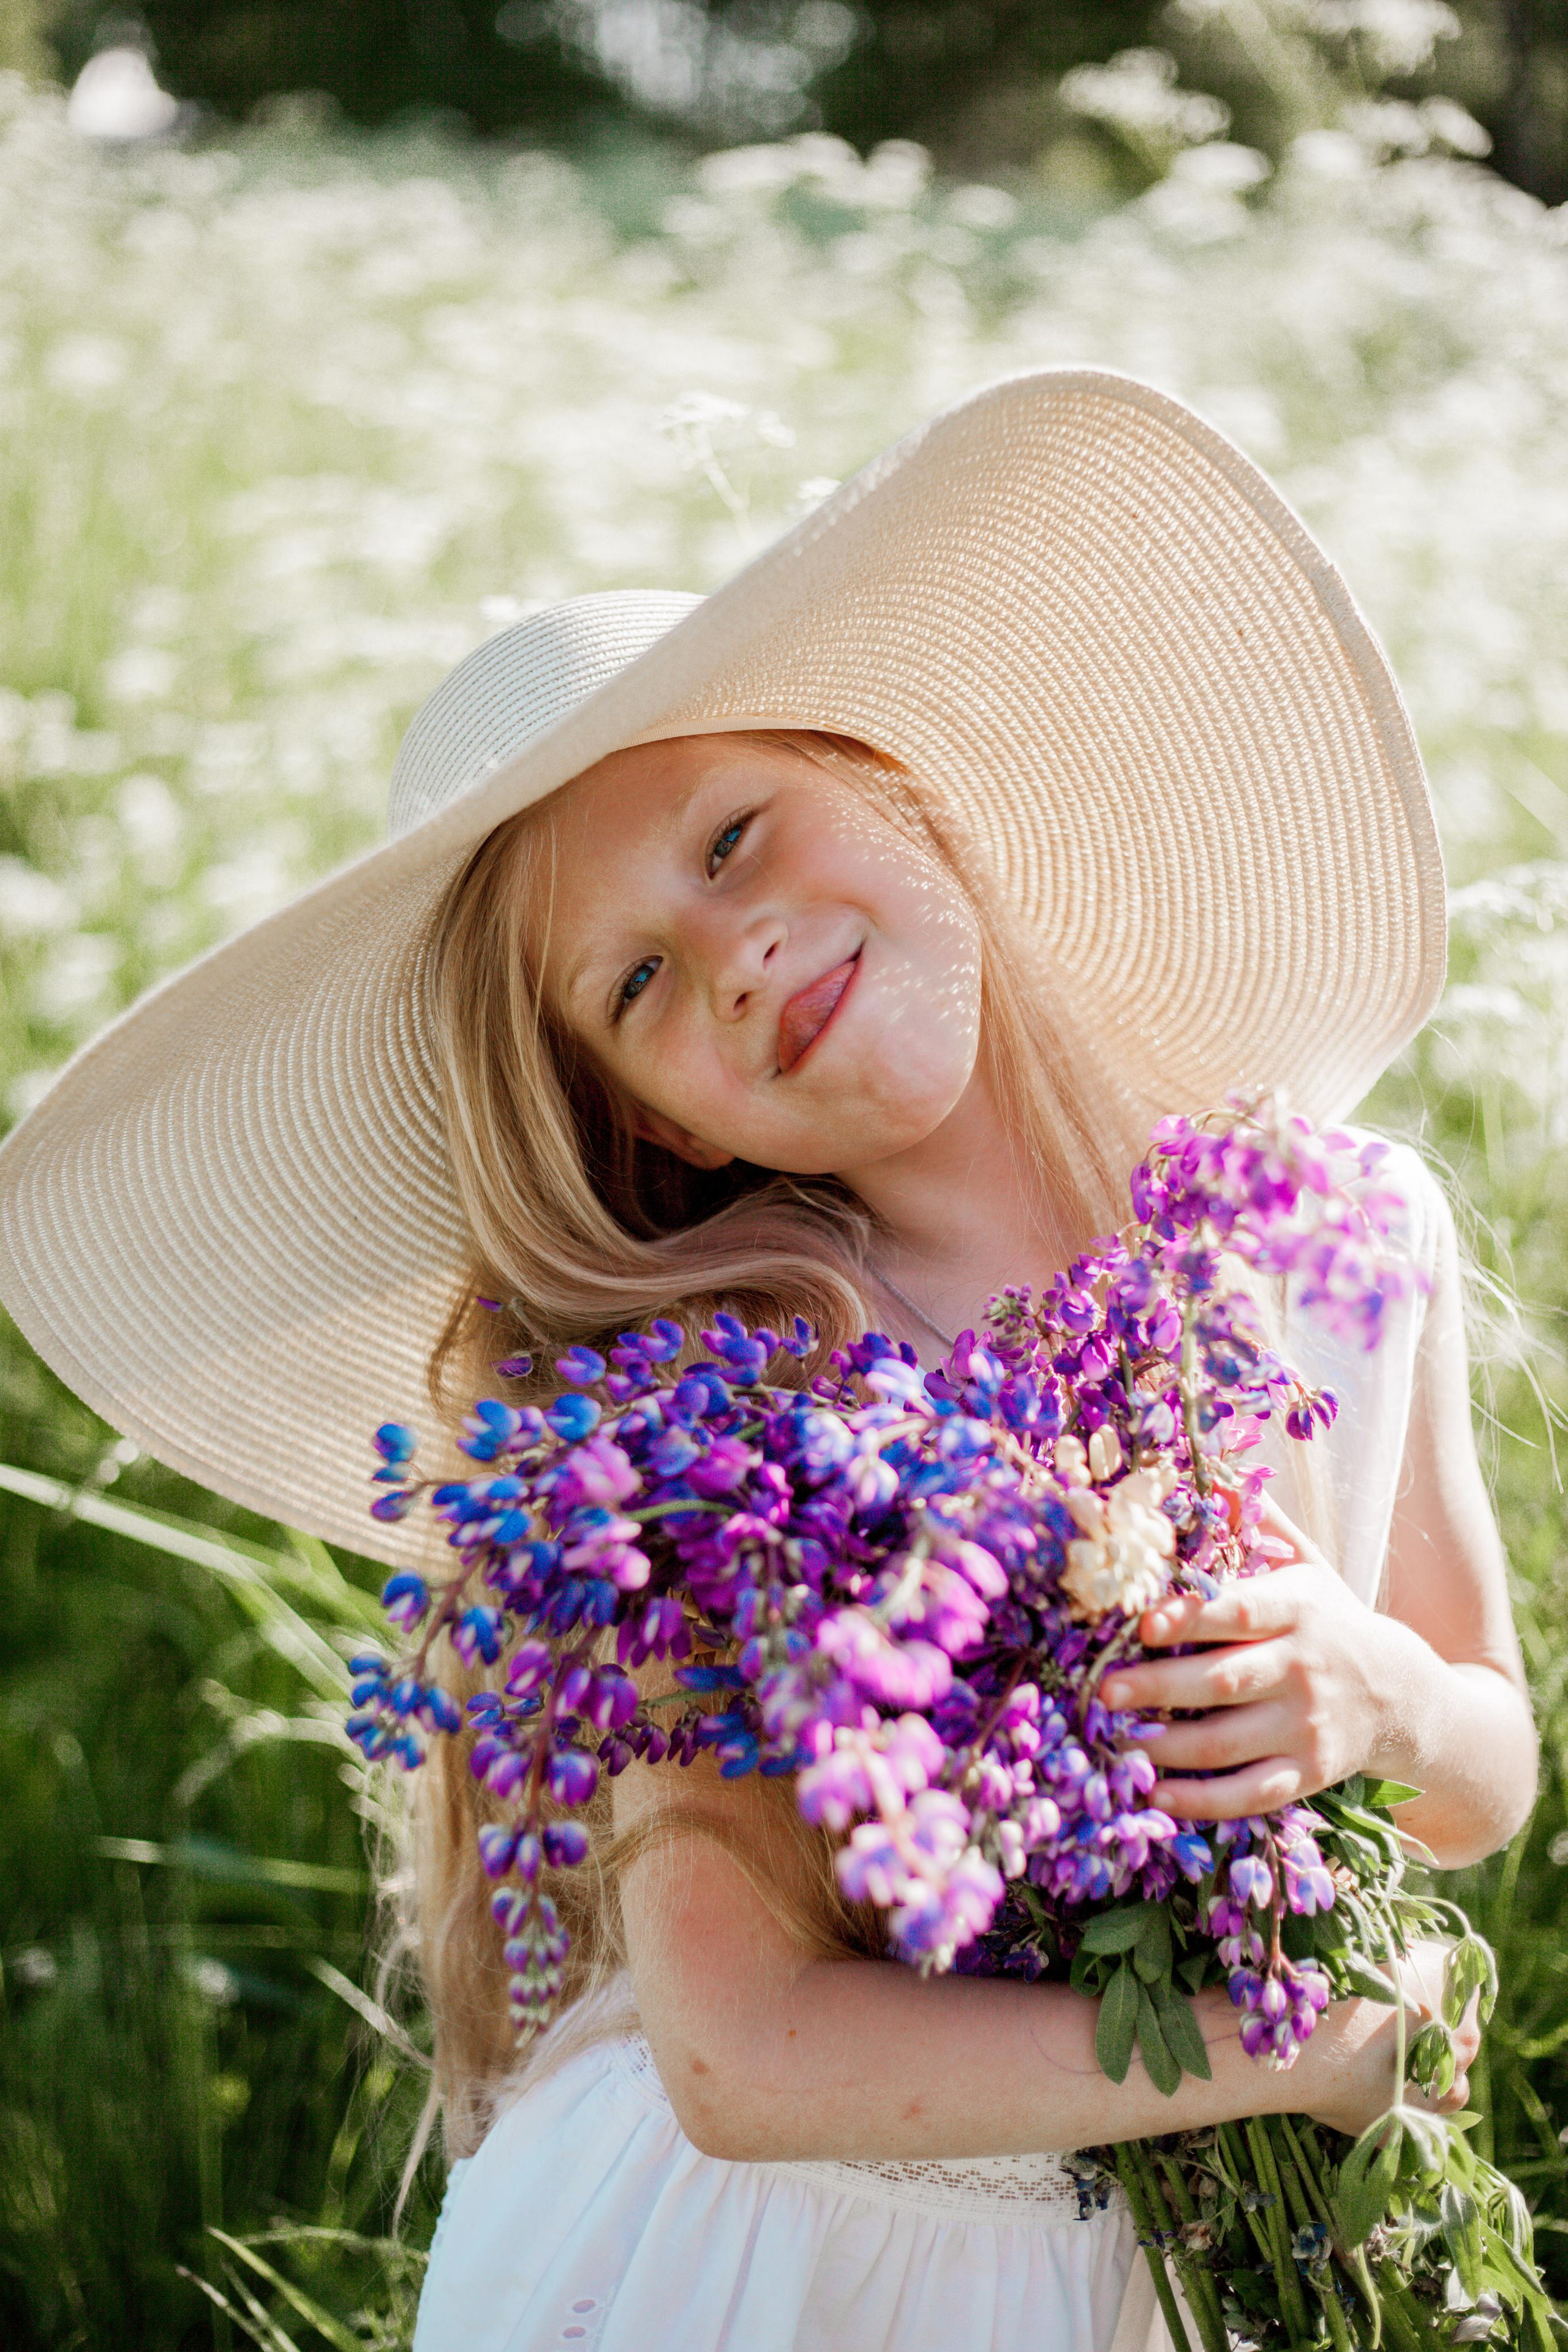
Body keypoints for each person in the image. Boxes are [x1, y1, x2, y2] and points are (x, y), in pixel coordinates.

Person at [0, 372, 1536, 2352]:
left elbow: (1488, 1763)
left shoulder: (1336, 1229)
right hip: (793, 2270)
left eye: (734, 835)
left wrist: (1388, 1701)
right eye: (636, 981)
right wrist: (1286, 2045)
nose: (729, 952)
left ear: (898, 782)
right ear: (661, 1122)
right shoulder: (722, 1417)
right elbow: (741, 2055)